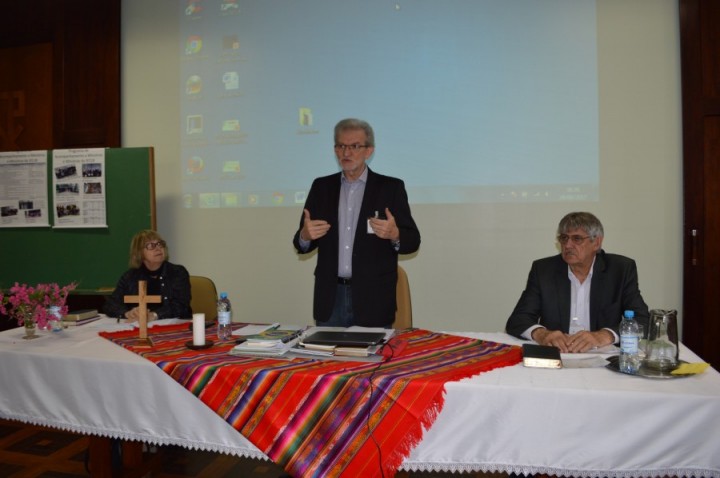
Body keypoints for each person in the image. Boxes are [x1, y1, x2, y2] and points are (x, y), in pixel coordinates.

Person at [293, 118, 420, 328]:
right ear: (335, 150)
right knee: (329, 360)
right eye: (341, 146)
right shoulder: (321, 187)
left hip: (374, 299)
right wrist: (305, 236)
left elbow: (413, 241)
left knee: (372, 361)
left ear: (369, 151)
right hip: (330, 299)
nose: (346, 153)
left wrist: (395, 234)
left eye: (354, 146)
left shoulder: (390, 188)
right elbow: (301, 243)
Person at [506, 212, 649, 353]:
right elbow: (518, 319)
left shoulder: (620, 270)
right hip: (557, 354)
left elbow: (642, 320)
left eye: (577, 239)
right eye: (564, 238)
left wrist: (605, 335)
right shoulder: (543, 270)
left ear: (596, 242)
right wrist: (542, 334)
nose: (568, 245)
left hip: (601, 356)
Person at [103, 230, 192, 321]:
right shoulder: (130, 276)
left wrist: (154, 315)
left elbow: (181, 305)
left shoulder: (178, 272)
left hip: (174, 327)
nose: (158, 248)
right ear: (139, 253)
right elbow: (111, 304)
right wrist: (128, 313)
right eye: (150, 245)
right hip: (137, 325)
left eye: (159, 244)